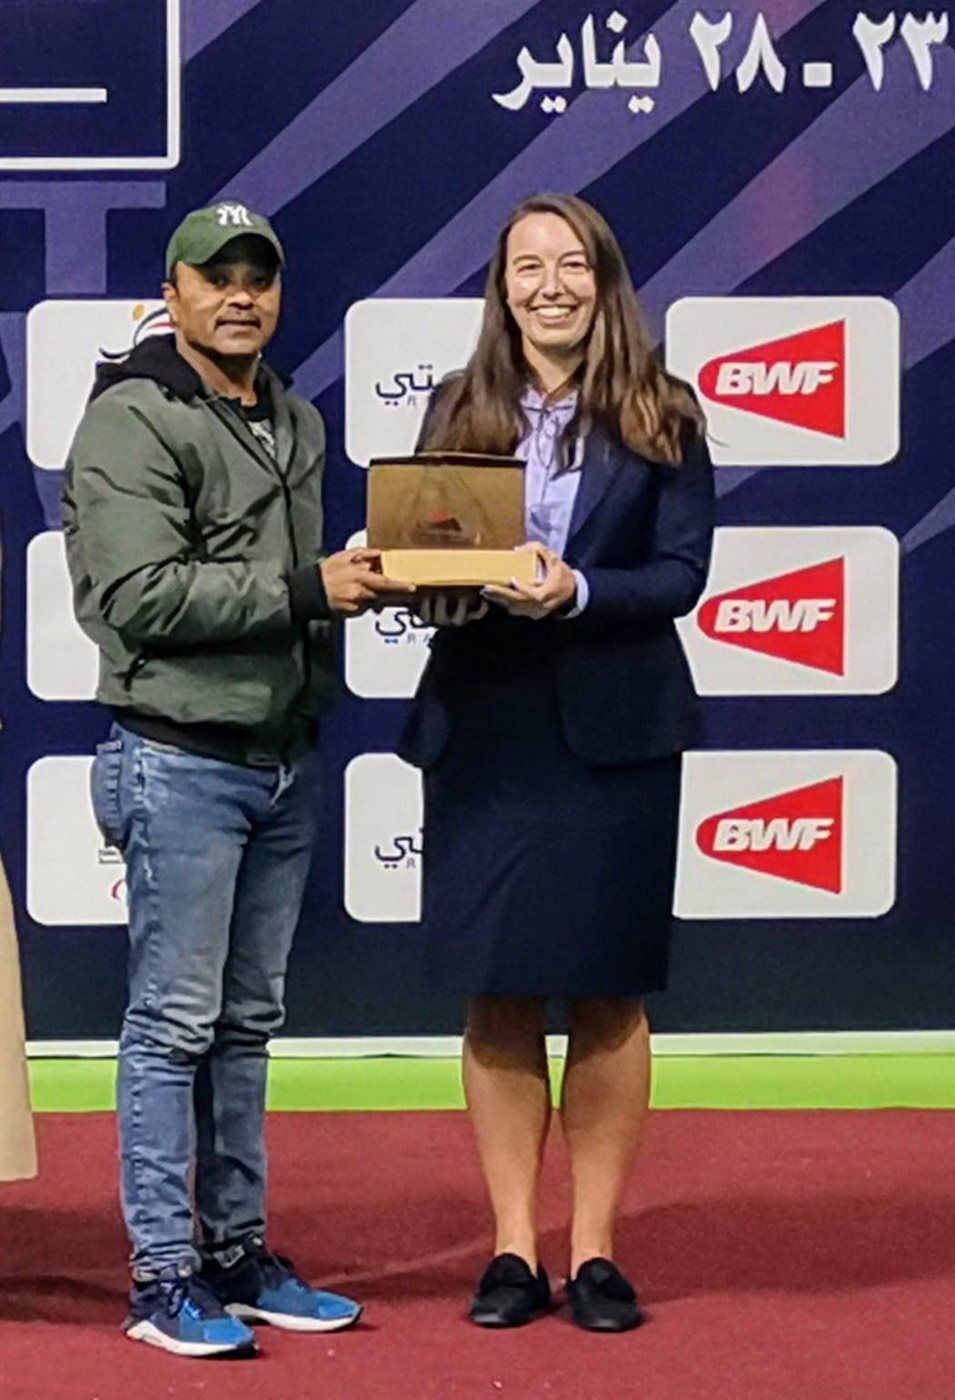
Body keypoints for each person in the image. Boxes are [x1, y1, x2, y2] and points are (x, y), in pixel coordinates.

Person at [62, 203, 412, 1358]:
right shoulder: (131, 415)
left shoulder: (295, 417)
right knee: (172, 1024)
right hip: (178, 758)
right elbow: (138, 596)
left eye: (258, 277)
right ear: (172, 293)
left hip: (281, 759)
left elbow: (290, 585)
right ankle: (162, 1275)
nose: (241, 296)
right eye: (216, 278)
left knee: (246, 1024)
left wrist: (383, 579)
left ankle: (237, 1253)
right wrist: (311, 590)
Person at [401, 193, 714, 1332]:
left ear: (604, 279)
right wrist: (411, 576)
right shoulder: (457, 405)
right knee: (497, 990)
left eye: (571, 263)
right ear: (502, 287)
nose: (550, 285)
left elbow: (681, 574)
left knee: (607, 990)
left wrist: (575, 588)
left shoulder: (662, 410)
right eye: (526, 265)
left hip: (614, 733)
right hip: (484, 729)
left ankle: (592, 1252)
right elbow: (431, 564)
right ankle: (508, 1249)